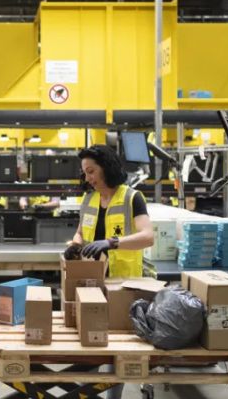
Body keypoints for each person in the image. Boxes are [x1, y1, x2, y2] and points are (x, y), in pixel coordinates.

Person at [66, 145, 154, 399]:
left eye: (91, 171)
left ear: (106, 167)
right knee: (90, 343)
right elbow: (81, 233)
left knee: (119, 351)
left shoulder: (132, 198)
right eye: (85, 173)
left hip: (123, 286)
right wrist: (74, 245)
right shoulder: (89, 199)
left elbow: (148, 236)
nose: (88, 178)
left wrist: (112, 242)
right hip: (91, 283)